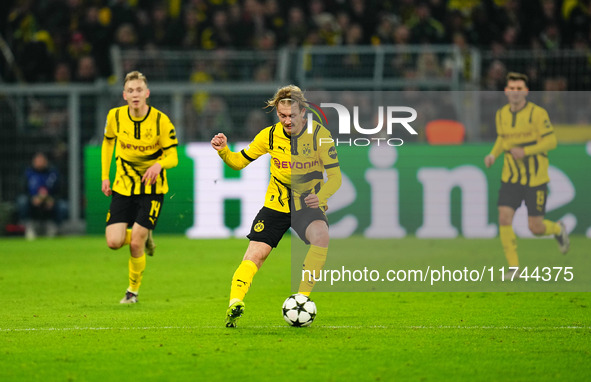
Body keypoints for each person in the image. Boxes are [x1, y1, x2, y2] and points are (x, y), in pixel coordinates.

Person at [211, 85, 342, 327]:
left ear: (303, 112)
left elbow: (336, 177)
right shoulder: (269, 135)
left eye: (292, 115)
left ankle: (302, 298)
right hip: (276, 204)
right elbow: (239, 162)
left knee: (321, 236)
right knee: (255, 254)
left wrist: (321, 196)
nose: (287, 120)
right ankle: (235, 303)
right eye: (282, 116)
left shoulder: (319, 136)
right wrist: (223, 152)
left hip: (307, 204)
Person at [101, 70, 179, 303]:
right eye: (130, 91)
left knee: (135, 242)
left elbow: (173, 156)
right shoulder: (114, 117)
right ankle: (144, 235)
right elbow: (108, 144)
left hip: (152, 188)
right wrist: (105, 176)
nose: (135, 95)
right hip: (123, 185)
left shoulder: (160, 120)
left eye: (139, 90)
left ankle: (132, 291)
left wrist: (158, 165)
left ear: (147, 93)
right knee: (113, 242)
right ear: (124, 95)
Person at [484, 72, 569, 279]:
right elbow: (502, 139)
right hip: (510, 178)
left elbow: (551, 142)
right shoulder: (501, 114)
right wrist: (493, 155)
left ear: (526, 92)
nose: (515, 92)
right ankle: (514, 268)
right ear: (506, 92)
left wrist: (526, 152)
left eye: (519, 88)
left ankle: (557, 229)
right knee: (504, 217)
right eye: (512, 88)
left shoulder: (537, 114)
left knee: (535, 227)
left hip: (535, 179)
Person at [17, 151, 67, 240]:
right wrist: (32, 198)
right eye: (38, 160)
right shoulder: (28, 173)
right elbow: (21, 190)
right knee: (22, 201)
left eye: (42, 160)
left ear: (46, 161)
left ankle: (54, 228)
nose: (40, 162)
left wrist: (53, 199)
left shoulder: (53, 173)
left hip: (50, 201)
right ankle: (28, 226)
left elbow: (62, 191)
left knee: (63, 205)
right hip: (33, 201)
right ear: (33, 161)